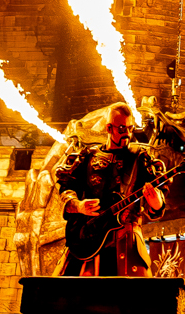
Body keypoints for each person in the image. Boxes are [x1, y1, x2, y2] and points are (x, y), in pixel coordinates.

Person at [56, 101, 166, 276]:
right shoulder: (88, 156)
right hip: (87, 241)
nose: (127, 133)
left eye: (130, 128)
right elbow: (67, 188)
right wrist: (78, 206)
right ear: (109, 128)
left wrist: (156, 202)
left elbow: (157, 203)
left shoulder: (140, 158)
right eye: (122, 128)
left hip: (126, 241)